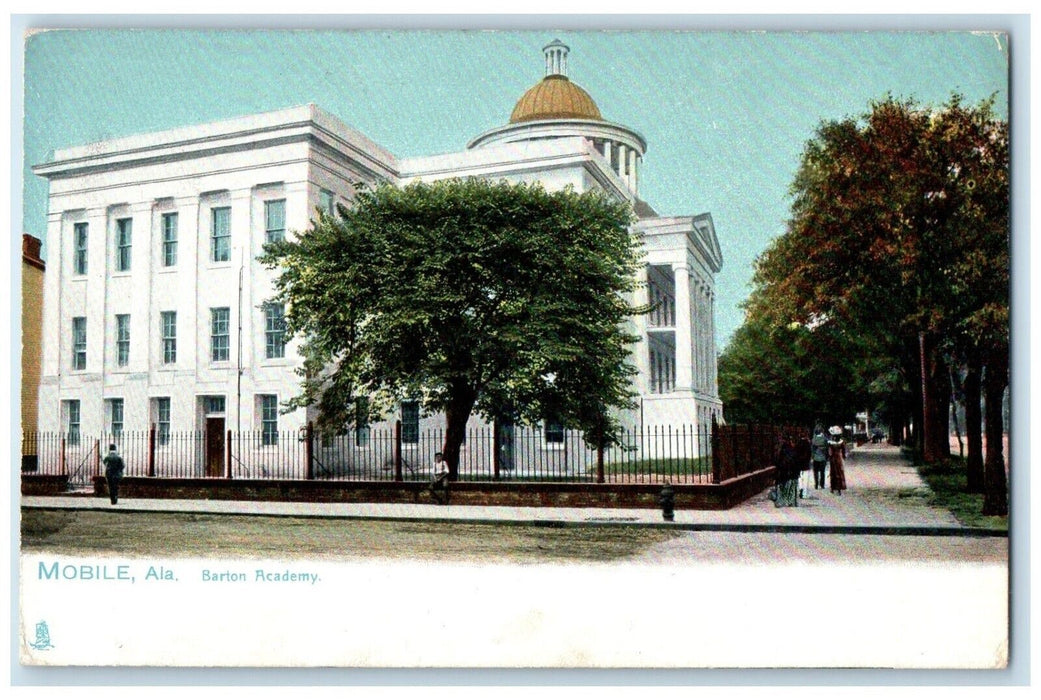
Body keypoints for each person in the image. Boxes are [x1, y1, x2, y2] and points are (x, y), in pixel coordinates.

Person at [773, 433, 800, 507]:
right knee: (790, 486)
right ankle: (790, 501)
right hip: (789, 470)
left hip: (782, 469)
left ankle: (780, 501)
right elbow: (794, 460)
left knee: (781, 485)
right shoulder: (790, 449)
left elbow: (776, 460)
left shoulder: (780, 448)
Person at [827, 426, 848, 495]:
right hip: (838, 458)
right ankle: (838, 487)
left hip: (833, 458)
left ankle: (833, 487)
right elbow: (844, 451)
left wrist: (829, 457)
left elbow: (829, 452)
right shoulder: (841, 442)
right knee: (839, 472)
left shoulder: (830, 442)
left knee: (833, 472)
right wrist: (844, 457)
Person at [810, 425, 829, 490]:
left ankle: (816, 484)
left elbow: (812, 449)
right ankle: (822, 484)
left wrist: (812, 457)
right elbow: (827, 448)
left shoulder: (814, 439)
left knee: (815, 472)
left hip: (815, 458)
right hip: (823, 457)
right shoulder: (824, 439)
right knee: (822, 472)